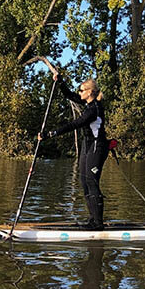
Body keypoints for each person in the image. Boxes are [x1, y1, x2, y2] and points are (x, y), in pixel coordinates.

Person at [38, 60, 109, 229]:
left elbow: (74, 125)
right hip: (87, 146)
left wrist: (50, 134)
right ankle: (92, 220)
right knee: (84, 182)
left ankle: (98, 223)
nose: (80, 92)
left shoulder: (94, 109)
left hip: (97, 147)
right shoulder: (87, 103)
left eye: (82, 90)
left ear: (90, 92)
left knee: (92, 182)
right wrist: (60, 81)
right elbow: (70, 95)